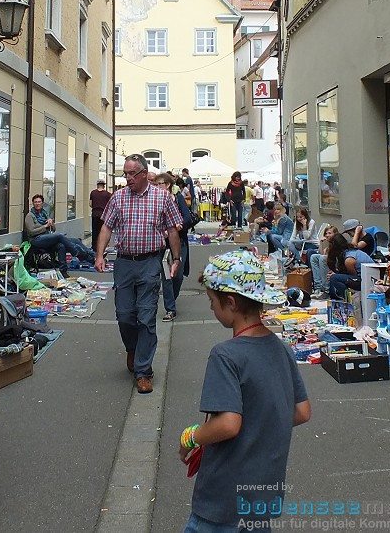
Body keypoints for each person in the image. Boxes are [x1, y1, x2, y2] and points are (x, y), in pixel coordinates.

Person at [179, 255, 311, 532]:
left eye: (213, 301)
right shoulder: (282, 348)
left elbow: (228, 424)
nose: (212, 308)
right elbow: (301, 412)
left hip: (223, 497)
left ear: (231, 303)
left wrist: (191, 437)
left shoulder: (226, 355)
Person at [95, 154, 182, 395]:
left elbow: (172, 230)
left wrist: (176, 259)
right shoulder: (118, 197)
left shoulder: (162, 197)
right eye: (125, 173)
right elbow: (106, 227)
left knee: (146, 316)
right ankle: (132, 348)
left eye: (132, 173)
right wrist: (100, 254)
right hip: (124, 263)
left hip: (150, 263)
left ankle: (143, 371)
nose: (128, 178)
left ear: (144, 173)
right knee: (124, 315)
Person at [155, 172, 193, 322]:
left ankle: (172, 298)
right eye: (155, 185)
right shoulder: (154, 201)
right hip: (163, 245)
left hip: (179, 241)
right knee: (166, 276)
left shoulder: (178, 198)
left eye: (160, 184)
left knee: (178, 275)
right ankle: (170, 309)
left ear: (168, 185)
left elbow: (188, 217)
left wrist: (178, 226)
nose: (157, 187)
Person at [24, 194, 95, 265]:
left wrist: (51, 223)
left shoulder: (44, 214)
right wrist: (45, 226)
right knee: (60, 236)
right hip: (36, 239)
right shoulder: (30, 215)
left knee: (68, 243)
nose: (37, 204)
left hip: (47, 237)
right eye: (35, 202)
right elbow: (31, 232)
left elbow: (53, 229)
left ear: (42, 203)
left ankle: (92, 257)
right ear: (33, 203)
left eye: (39, 202)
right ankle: (75, 252)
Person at [327, 231, 376, 300]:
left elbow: (353, 277)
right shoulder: (351, 251)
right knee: (335, 276)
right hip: (367, 278)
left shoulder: (349, 260)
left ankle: (348, 299)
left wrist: (336, 275)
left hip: (367, 281)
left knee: (334, 278)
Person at [308, 225, 338, 297]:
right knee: (314, 257)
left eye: (329, 233)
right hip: (329, 263)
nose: (327, 235)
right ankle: (318, 287)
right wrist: (321, 242)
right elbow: (321, 255)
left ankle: (325, 290)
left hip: (336, 265)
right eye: (326, 233)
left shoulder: (337, 243)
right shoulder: (329, 245)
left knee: (323, 258)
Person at [89, 180, 112, 251]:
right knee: (103, 232)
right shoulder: (107, 194)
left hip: (95, 214)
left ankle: (94, 247)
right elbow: (110, 205)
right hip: (103, 215)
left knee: (95, 231)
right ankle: (102, 247)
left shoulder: (93, 193)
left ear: (97, 185)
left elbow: (90, 204)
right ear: (104, 185)